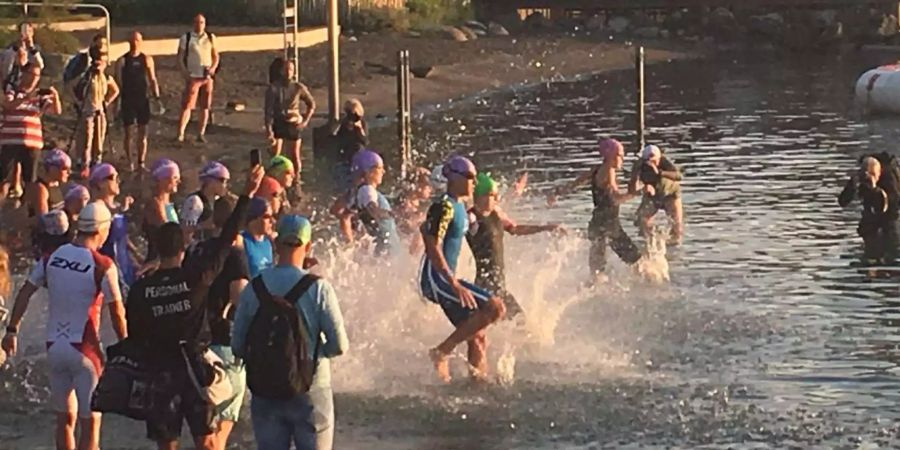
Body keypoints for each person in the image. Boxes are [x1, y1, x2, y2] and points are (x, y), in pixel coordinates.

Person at [126, 165, 262, 450]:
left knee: (167, 443)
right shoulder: (196, 279)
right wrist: (248, 192)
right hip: (193, 370)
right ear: (181, 249)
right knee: (207, 442)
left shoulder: (141, 289)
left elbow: (134, 333)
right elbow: (226, 239)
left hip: (159, 371)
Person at [2, 200, 127, 450]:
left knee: (64, 420)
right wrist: (126, 346)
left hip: (55, 349)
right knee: (90, 424)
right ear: (101, 230)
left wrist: (12, 330)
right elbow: (116, 311)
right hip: (85, 351)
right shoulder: (103, 265)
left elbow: (25, 292)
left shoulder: (52, 258)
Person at [232, 215, 348, 450]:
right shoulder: (319, 289)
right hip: (311, 388)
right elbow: (339, 346)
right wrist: (308, 353)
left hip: (266, 390)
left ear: (275, 245)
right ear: (308, 246)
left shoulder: (255, 287)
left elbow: (238, 346)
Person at [419, 155, 507, 383]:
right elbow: (432, 245)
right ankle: (442, 351)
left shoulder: (460, 208)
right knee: (495, 308)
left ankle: (475, 384)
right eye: (469, 177)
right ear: (454, 178)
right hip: (438, 280)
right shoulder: (444, 206)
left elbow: (425, 230)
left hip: (445, 278)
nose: (474, 182)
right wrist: (453, 282)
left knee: (478, 336)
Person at [192, 196, 249, 450]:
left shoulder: (197, 250)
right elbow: (239, 297)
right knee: (220, 430)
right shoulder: (234, 255)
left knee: (204, 429)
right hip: (224, 345)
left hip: (195, 345)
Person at [468, 173, 561, 320]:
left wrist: (547, 228)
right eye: (492, 195)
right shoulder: (471, 218)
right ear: (479, 197)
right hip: (484, 286)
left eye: (496, 195)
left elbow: (516, 229)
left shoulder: (496, 213)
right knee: (517, 322)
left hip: (499, 285)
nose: (496, 199)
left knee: (518, 323)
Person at [549, 138, 643, 282]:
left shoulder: (596, 170)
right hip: (609, 225)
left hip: (596, 224)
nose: (623, 159)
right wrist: (638, 192)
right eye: (620, 155)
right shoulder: (609, 172)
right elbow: (616, 198)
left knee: (597, 271)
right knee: (637, 262)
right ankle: (646, 289)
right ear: (610, 156)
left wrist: (557, 193)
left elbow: (575, 184)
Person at [0, 65, 62, 199]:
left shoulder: (40, 97)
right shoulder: (13, 90)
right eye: (32, 74)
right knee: (3, 178)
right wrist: (27, 97)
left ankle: (28, 210)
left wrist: (55, 97)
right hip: (11, 140)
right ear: (24, 73)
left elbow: (56, 111)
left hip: (32, 143)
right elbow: (8, 106)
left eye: (37, 76)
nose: (34, 78)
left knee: (31, 180)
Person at [264, 59, 314, 194]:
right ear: (281, 71)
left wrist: (305, 121)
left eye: (291, 69)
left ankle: (296, 181)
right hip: (279, 123)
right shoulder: (273, 88)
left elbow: (311, 104)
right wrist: (269, 130)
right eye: (286, 69)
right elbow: (268, 112)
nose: (288, 72)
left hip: (293, 124)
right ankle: (272, 180)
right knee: (275, 154)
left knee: (295, 155)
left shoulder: (298, 87)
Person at [839, 155, 899, 264]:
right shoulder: (859, 177)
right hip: (870, 213)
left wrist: (875, 189)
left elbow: (893, 206)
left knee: (892, 239)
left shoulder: (890, 178)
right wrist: (853, 186)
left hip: (891, 214)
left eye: (873, 175)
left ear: (879, 173)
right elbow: (842, 202)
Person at [116, 31, 160, 172]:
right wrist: (116, 102)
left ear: (141, 42)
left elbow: (152, 79)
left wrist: (156, 96)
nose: (135, 42)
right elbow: (118, 83)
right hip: (128, 99)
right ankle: (130, 162)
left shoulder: (146, 59)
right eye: (133, 40)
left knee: (143, 132)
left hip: (142, 99)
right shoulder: (122, 60)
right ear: (129, 42)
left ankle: (141, 162)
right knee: (128, 132)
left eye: (137, 40)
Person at [73, 48, 119, 178]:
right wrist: (78, 102)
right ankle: (84, 164)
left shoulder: (106, 76)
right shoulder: (87, 76)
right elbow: (72, 87)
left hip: (100, 110)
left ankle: (96, 163)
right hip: (88, 110)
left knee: (99, 139)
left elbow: (115, 90)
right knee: (87, 137)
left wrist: (106, 102)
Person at [177, 14, 219, 144]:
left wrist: (212, 68)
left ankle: (201, 133)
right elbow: (180, 57)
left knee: (205, 106)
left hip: (206, 76)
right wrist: (185, 73)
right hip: (193, 76)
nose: (199, 25)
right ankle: (180, 133)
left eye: (201, 22)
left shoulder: (211, 38)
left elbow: (216, 56)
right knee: (187, 105)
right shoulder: (187, 38)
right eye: (197, 22)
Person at [629, 144, 684, 243]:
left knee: (677, 226)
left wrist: (660, 173)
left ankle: (673, 247)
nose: (651, 164)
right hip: (652, 195)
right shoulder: (639, 166)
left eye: (654, 161)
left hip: (670, 194)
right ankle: (651, 241)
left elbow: (679, 176)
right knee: (640, 221)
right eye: (649, 162)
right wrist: (642, 189)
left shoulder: (664, 162)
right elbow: (632, 190)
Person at [349, 149, 399, 255]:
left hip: (383, 249)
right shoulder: (367, 190)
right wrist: (391, 214)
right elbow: (372, 208)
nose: (383, 172)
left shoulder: (360, 191)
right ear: (369, 172)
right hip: (385, 250)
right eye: (380, 168)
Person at [26, 149, 70, 256]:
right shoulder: (41, 189)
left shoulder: (55, 186)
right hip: (45, 243)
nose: (68, 172)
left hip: (57, 239)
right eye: (64, 168)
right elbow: (43, 221)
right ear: (52, 169)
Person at [182, 160, 230, 242]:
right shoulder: (195, 201)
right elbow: (185, 232)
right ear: (210, 181)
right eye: (222, 180)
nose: (225, 185)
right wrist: (204, 226)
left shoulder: (220, 202)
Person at [142, 159, 180, 261]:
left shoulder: (169, 205)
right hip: (159, 260)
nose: (178, 181)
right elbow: (167, 233)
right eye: (175, 177)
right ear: (162, 179)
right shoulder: (155, 204)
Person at [331, 99, 369, 189]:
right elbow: (337, 138)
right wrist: (340, 125)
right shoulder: (344, 122)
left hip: (358, 151)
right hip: (346, 153)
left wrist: (359, 130)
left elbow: (365, 141)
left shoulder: (361, 123)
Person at [0, 22, 44, 89]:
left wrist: (32, 48)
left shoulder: (35, 49)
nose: (27, 34)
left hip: (27, 79)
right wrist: (16, 49)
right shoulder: (12, 48)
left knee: (35, 70)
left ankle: (24, 91)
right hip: (13, 78)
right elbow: (6, 67)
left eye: (29, 31)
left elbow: (40, 65)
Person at [242, 197, 275, 278]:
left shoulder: (268, 243)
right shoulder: (242, 242)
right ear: (254, 218)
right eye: (267, 216)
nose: (272, 221)